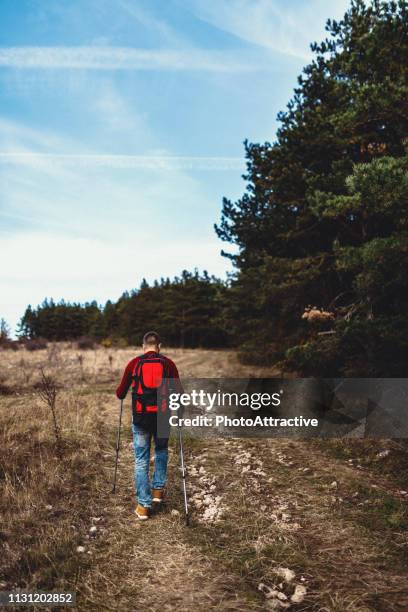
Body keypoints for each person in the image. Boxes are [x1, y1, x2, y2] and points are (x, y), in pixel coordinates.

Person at [116, 331, 182, 520]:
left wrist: (122, 390)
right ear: (159, 346)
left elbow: (120, 393)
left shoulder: (134, 364)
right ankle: (157, 492)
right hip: (162, 417)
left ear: (143, 346)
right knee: (161, 451)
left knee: (141, 459)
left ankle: (144, 506)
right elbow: (178, 392)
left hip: (141, 418)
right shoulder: (168, 364)